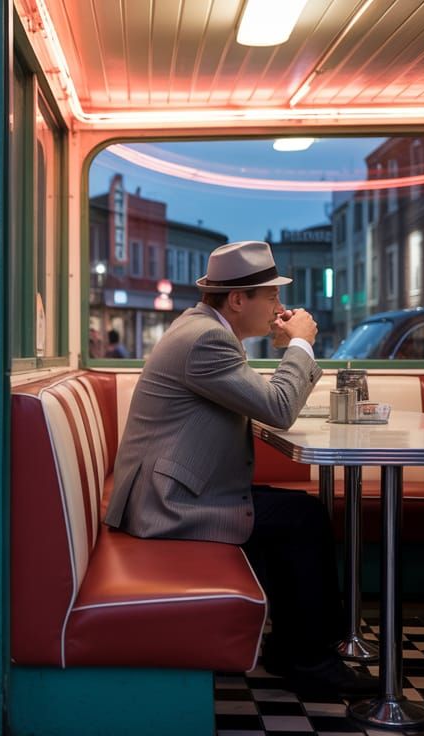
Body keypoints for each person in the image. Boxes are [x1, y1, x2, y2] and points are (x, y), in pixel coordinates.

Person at [103, 240, 375, 698]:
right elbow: (279, 407)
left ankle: (301, 648)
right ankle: (309, 659)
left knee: (297, 512)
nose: (279, 307)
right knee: (303, 520)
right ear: (237, 300)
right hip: (166, 504)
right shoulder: (205, 340)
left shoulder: (204, 329)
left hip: (169, 488)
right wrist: (303, 344)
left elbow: (260, 401)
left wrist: (291, 349)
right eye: (271, 296)